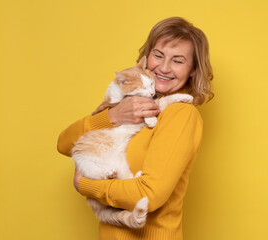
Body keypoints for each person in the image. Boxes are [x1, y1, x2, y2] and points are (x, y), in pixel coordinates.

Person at [57, 16, 214, 240]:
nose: (164, 67)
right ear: (146, 56)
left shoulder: (181, 114)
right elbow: (64, 143)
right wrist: (112, 115)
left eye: (178, 61)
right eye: (158, 55)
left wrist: (86, 185)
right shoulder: (128, 104)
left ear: (192, 70)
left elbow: (149, 194)